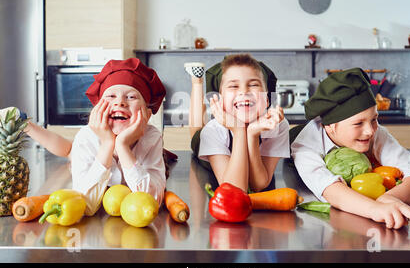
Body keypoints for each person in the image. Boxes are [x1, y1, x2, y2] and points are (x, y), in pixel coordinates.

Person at [4, 58, 168, 216]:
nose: (120, 103)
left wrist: (123, 147)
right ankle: (25, 124)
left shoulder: (151, 137)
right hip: (85, 151)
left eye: (131, 97)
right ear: (97, 109)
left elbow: (151, 202)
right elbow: (86, 205)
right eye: (111, 96)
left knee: (69, 150)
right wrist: (107, 144)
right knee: (69, 150)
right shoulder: (87, 136)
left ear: (147, 115)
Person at [290, 68, 410, 234]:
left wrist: (388, 198)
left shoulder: (376, 133)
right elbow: (331, 190)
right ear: (330, 126)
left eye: (374, 119)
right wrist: (375, 209)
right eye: (358, 124)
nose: (370, 131)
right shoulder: (305, 145)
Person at [188, 54, 290, 193]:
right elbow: (234, 189)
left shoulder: (277, 125)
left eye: (253, 84)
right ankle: (196, 81)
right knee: (196, 131)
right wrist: (239, 129)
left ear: (267, 100)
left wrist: (252, 134)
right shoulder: (212, 131)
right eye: (234, 86)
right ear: (220, 100)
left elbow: (258, 184)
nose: (244, 91)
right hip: (205, 143)